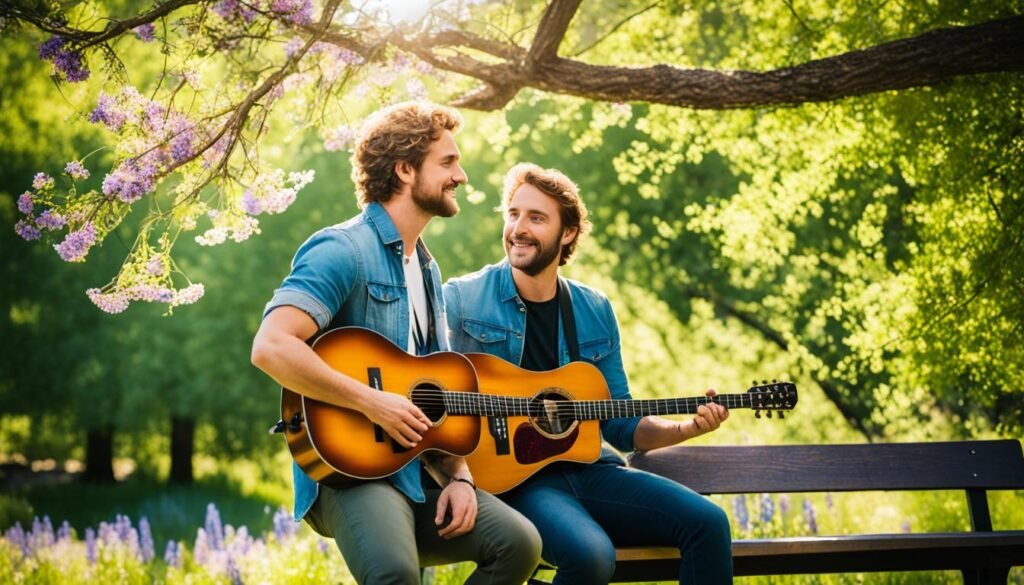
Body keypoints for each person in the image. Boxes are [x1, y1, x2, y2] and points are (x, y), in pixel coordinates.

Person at [251, 102, 541, 585]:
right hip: (348, 470)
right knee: (394, 574)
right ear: (405, 169)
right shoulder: (342, 249)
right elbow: (272, 346)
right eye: (447, 163)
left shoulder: (427, 270)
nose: (462, 176)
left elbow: (438, 389)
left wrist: (461, 477)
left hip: (414, 467)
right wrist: (372, 403)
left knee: (519, 544)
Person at [443, 163, 733, 585]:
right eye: (513, 214)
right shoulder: (462, 299)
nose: (518, 228)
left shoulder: (594, 310)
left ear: (568, 234)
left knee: (708, 523)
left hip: (591, 468)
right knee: (591, 555)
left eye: (536, 218)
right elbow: (426, 384)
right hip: (515, 482)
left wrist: (689, 427)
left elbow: (621, 423)